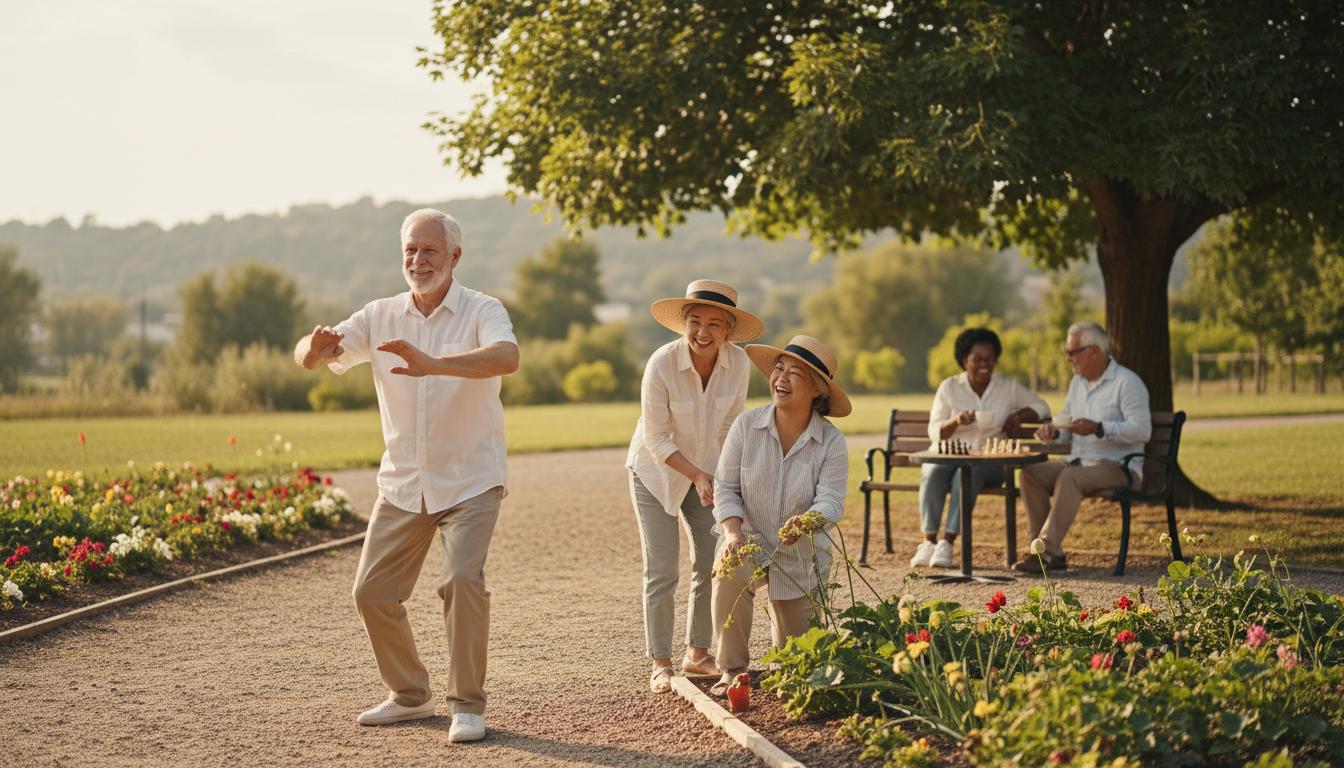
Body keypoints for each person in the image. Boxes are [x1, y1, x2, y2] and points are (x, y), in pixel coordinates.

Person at [293, 208, 519, 742]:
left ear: (455, 258)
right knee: (372, 592)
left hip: (471, 478)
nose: (418, 261)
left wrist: (435, 363)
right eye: (410, 251)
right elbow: (310, 357)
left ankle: (467, 704)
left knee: (461, 581)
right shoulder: (378, 315)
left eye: (430, 251)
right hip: (403, 481)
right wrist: (313, 348)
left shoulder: (483, 309)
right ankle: (410, 694)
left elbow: (507, 357)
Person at [627, 279, 764, 694]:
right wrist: (696, 475)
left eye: (714, 324)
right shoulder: (661, 364)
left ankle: (697, 653)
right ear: (683, 324)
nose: (703, 332)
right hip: (656, 473)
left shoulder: (738, 365)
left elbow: (729, 430)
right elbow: (656, 438)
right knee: (663, 568)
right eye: (695, 322)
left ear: (728, 331)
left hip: (708, 473)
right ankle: (661, 663)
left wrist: (721, 482)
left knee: (712, 561)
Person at [710, 335, 850, 696]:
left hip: (801, 552)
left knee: (796, 669)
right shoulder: (746, 426)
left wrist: (806, 523)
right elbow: (725, 488)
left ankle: (781, 665)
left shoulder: (831, 442)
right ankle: (733, 669)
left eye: (796, 373)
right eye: (779, 368)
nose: (781, 378)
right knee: (729, 567)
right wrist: (732, 534)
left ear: (817, 390)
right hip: (750, 539)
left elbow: (831, 501)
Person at [1016, 321, 1151, 575]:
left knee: (1070, 477)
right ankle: (1048, 553)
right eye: (1066, 352)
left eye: (1072, 352)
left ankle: (1045, 551)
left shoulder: (1127, 383)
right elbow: (1066, 419)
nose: (1068, 359)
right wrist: (1052, 431)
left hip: (1120, 466)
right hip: (1080, 462)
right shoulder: (1077, 383)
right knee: (1030, 474)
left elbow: (1143, 430)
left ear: (1094, 351)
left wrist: (1100, 427)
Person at [913, 327, 1050, 569]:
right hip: (949, 457)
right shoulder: (949, 387)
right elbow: (934, 431)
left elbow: (1042, 407)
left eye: (990, 359)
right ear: (964, 360)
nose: (984, 365)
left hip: (990, 464)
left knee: (969, 473)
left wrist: (1019, 415)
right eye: (977, 359)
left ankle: (947, 541)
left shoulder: (1007, 387)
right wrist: (956, 421)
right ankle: (929, 541)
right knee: (932, 470)